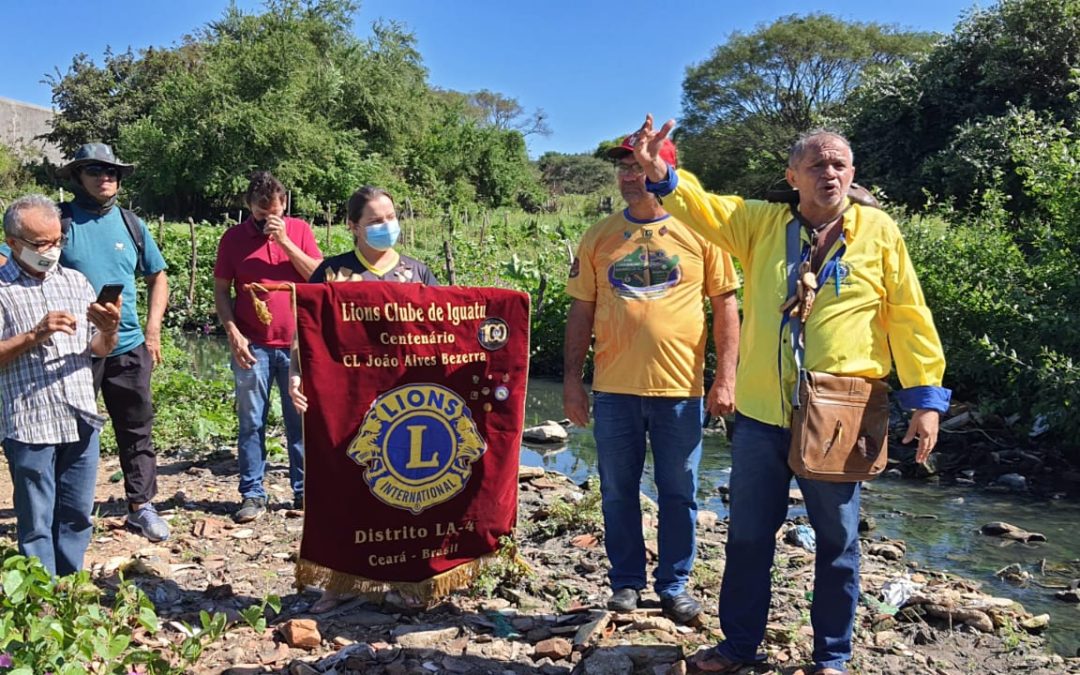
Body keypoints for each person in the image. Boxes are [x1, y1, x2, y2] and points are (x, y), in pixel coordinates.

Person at [631, 115, 950, 675]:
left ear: (852, 174)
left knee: (838, 542)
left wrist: (925, 400)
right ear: (793, 176)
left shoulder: (880, 233)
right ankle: (737, 647)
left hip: (841, 414)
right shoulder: (759, 223)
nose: (830, 173)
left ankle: (831, 658)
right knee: (750, 537)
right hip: (760, 415)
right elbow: (703, 207)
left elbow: (908, 315)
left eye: (839, 165)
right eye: (817, 164)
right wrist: (658, 168)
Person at [562, 134, 741, 625]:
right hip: (615, 389)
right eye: (622, 168)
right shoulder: (599, 236)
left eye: (638, 167)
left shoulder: (703, 233)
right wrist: (573, 382)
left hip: (680, 391)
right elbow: (582, 310)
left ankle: (675, 584)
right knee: (617, 489)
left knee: (678, 490)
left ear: (662, 172)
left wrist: (725, 376)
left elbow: (726, 304)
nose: (628, 176)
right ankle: (625, 582)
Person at [289, 185, 438, 613]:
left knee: (407, 492)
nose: (386, 226)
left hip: (406, 402)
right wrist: (297, 374)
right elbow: (308, 334)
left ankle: (407, 579)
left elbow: (441, 337)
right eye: (374, 220)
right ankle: (342, 582)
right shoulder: (331, 273)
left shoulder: (418, 273)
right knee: (343, 487)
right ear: (353, 227)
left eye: (390, 217)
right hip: (344, 402)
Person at [0, 195, 122, 575]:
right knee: (36, 520)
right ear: (13, 242)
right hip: (29, 420)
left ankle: (70, 586)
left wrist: (108, 328)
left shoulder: (76, 281)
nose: (51, 251)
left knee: (76, 513)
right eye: (41, 244)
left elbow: (97, 349)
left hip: (79, 412)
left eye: (57, 242)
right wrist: (33, 335)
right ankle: (41, 600)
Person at [57, 143, 171, 542]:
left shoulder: (130, 224)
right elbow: (16, 258)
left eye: (112, 171)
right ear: (77, 177)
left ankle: (141, 507)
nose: (105, 177)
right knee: (72, 431)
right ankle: (69, 512)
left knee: (136, 427)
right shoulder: (60, 222)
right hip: (74, 350)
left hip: (127, 345)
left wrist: (153, 331)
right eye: (95, 170)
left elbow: (158, 276)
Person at [214, 171, 322, 523]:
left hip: (296, 344)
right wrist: (233, 332)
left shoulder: (301, 231)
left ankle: (305, 492)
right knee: (251, 421)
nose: (266, 221)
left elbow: (318, 279)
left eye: (273, 213)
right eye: (261, 215)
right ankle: (252, 494)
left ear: (284, 204)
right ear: (249, 207)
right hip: (252, 343)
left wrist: (286, 242)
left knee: (301, 420)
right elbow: (221, 290)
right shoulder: (232, 239)